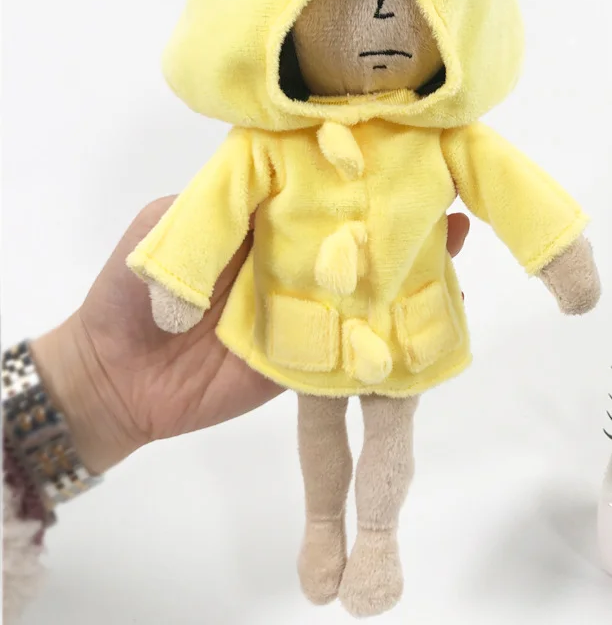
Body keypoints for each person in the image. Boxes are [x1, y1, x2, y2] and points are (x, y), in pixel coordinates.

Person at [0, 196, 472, 622]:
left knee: (382, 423)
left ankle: (375, 538)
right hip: (308, 315)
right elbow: (226, 191)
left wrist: (91, 381)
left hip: (362, 310)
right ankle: (326, 530)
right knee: (325, 422)